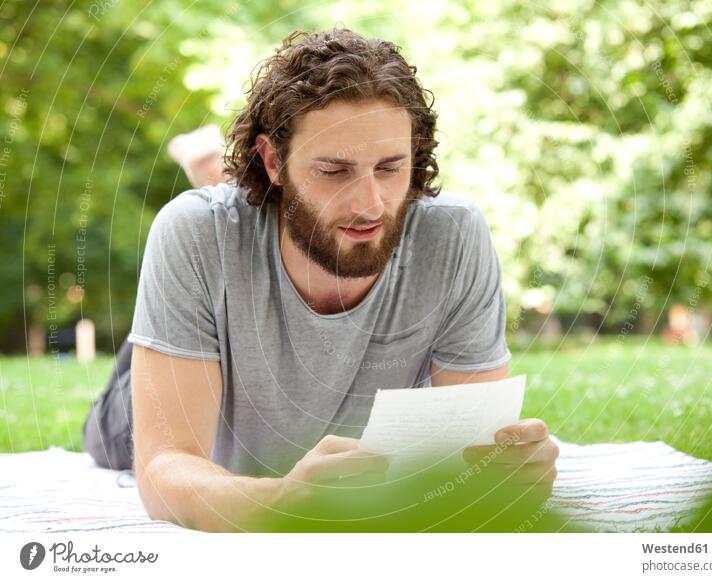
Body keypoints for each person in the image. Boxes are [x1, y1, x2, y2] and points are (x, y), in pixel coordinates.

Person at [82, 26, 559, 532]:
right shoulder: (193, 234)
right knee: (117, 438)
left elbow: (473, 455)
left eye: (390, 167)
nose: (371, 204)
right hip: (204, 367)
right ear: (273, 161)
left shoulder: (454, 235)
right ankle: (209, 168)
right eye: (334, 171)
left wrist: (507, 470)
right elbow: (164, 468)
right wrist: (285, 504)